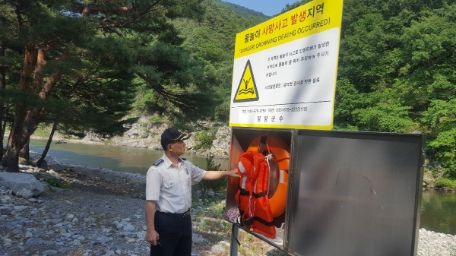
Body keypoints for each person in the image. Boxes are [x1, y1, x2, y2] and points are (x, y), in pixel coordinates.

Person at [145, 127, 239, 256]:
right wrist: (151, 230)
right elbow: (150, 202)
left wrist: (228, 173)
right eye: (181, 142)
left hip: (185, 220)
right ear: (170, 146)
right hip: (166, 221)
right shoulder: (157, 170)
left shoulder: (186, 165)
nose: (185, 144)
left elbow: (205, 174)